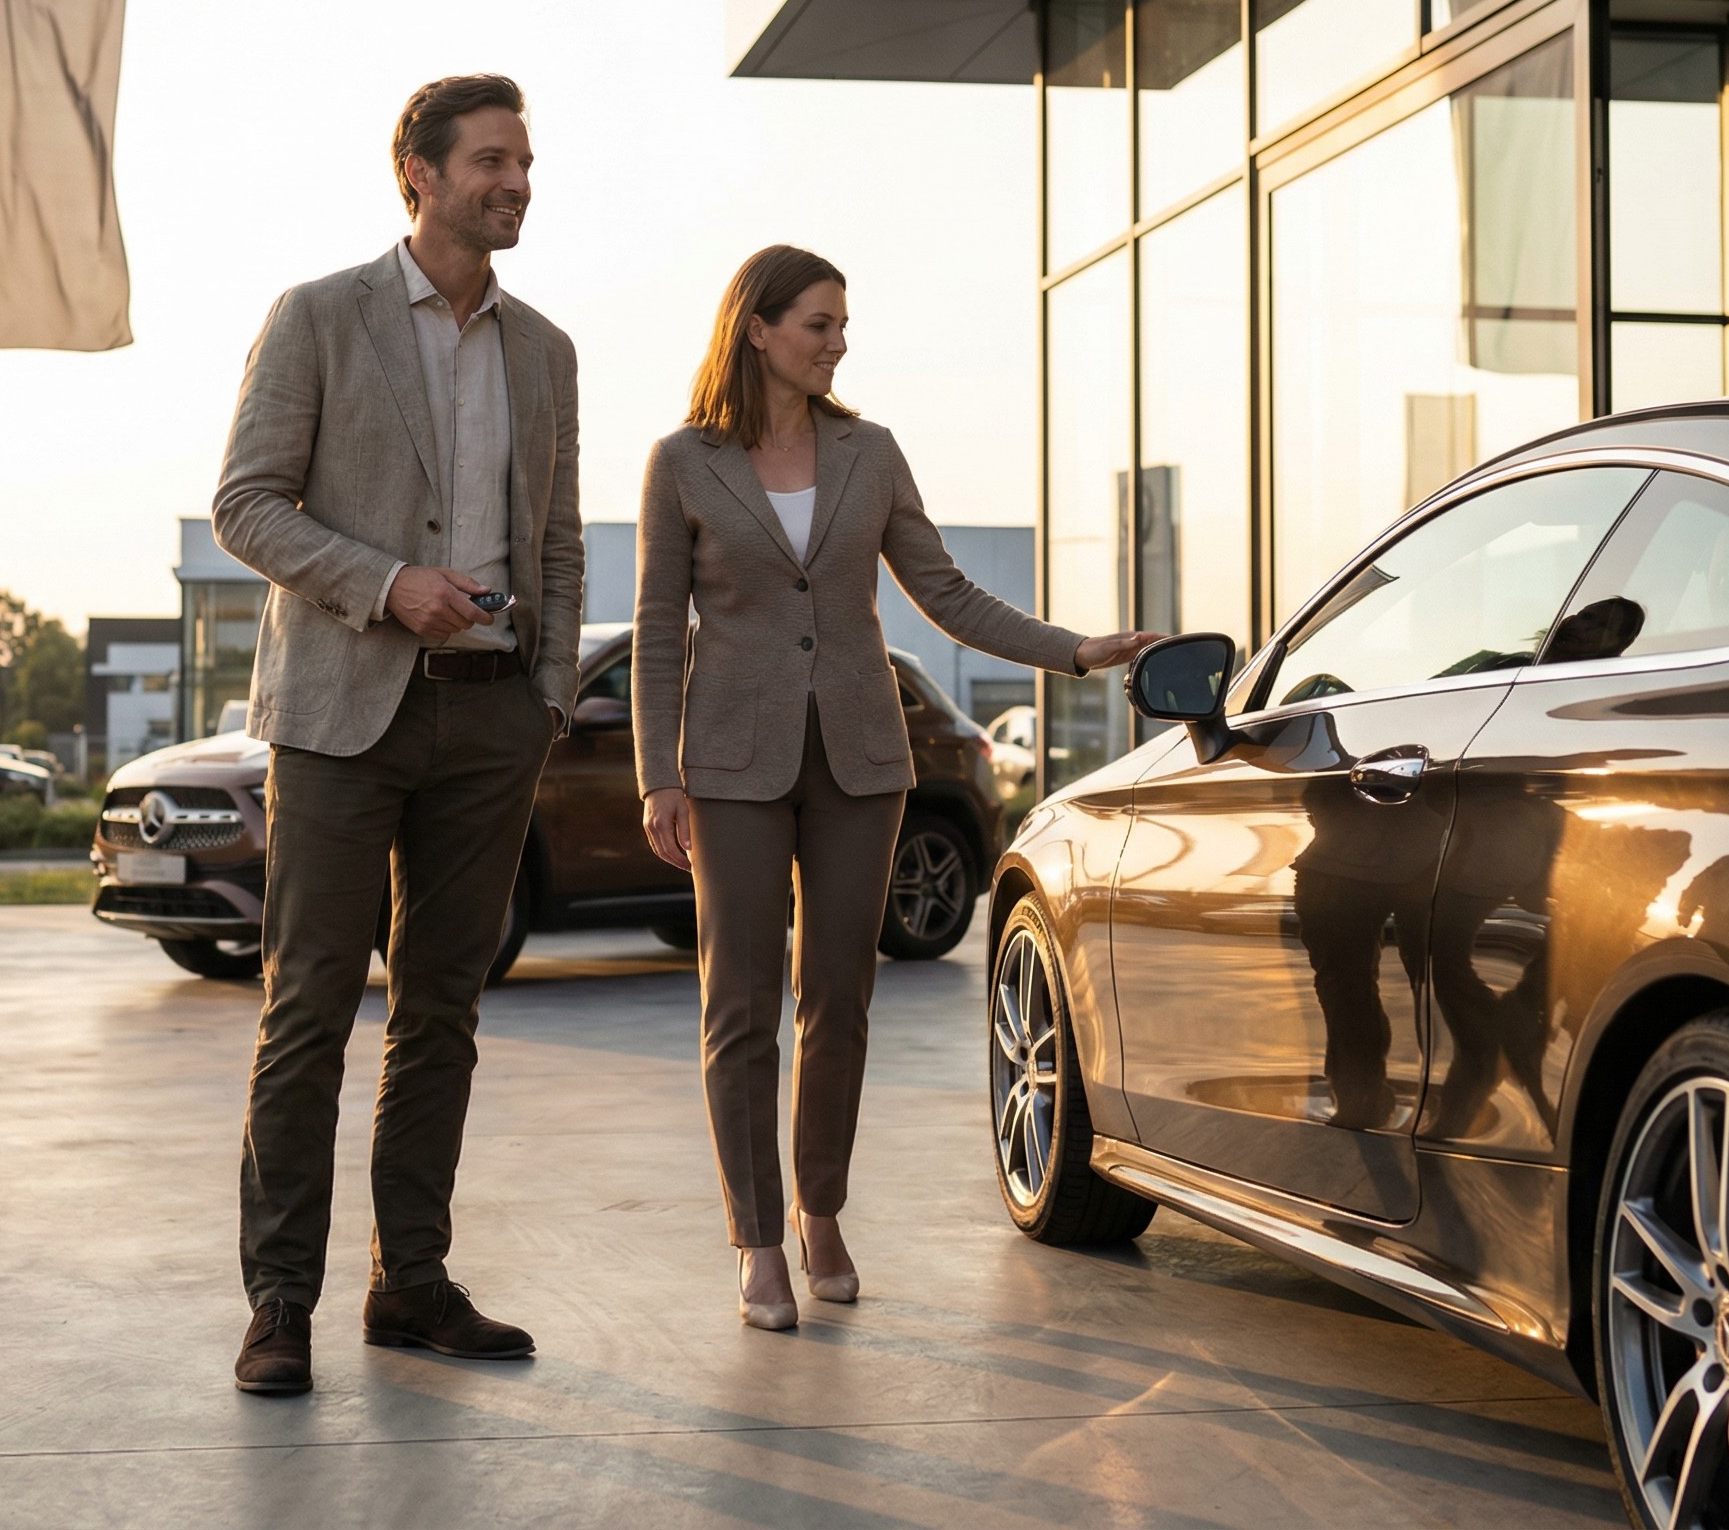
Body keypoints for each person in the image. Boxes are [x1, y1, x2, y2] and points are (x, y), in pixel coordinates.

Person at [632, 245, 1152, 1330]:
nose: (838, 341)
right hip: (729, 766)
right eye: (819, 323)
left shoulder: (870, 453)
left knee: (840, 1000)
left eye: (842, 323)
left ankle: (822, 1208)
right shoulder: (682, 460)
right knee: (739, 1011)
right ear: (760, 329)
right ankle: (758, 1241)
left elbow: (946, 591)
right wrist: (657, 776)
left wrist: (1078, 648)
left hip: (861, 762)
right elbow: (653, 633)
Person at [211, 74, 582, 1392]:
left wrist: (546, 701)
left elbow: (558, 544)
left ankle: (409, 1285)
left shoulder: (546, 350)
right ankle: (281, 1308)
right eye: (493, 160)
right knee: (308, 1007)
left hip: (491, 719)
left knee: (444, 1011)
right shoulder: (319, 318)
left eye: (525, 162)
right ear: (416, 173)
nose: (518, 181)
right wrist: (387, 586)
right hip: (338, 716)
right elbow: (244, 507)